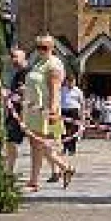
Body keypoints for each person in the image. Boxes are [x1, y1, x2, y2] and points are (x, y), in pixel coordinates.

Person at [23, 35, 74, 192]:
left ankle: (64, 167)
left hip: (46, 111)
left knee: (43, 145)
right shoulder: (38, 63)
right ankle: (36, 180)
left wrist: (52, 112)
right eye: (38, 47)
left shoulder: (53, 65)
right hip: (33, 110)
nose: (41, 51)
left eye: (44, 48)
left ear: (52, 48)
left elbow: (55, 91)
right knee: (36, 145)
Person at [2, 48, 28, 179]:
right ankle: (9, 170)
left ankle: (61, 167)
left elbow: (25, 96)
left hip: (23, 114)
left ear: (24, 58)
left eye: (16, 57)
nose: (13, 60)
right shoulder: (17, 74)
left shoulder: (26, 73)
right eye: (12, 57)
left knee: (39, 144)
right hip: (14, 114)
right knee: (10, 141)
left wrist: (23, 119)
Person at [60, 75, 86, 156]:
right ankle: (64, 148)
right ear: (66, 81)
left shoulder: (78, 91)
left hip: (74, 111)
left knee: (73, 130)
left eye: (73, 81)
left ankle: (72, 149)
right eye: (69, 81)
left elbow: (82, 103)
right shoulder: (62, 90)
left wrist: (82, 115)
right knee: (63, 130)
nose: (71, 83)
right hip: (64, 111)